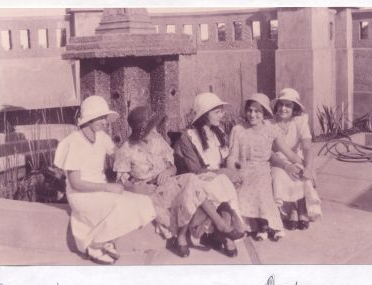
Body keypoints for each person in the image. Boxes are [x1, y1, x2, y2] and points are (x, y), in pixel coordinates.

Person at [113, 106, 237, 258]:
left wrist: (167, 172)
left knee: (192, 179)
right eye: (149, 129)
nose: (154, 131)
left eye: (154, 128)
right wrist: (137, 189)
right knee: (193, 188)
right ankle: (204, 230)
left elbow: (173, 167)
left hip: (169, 182)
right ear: (139, 131)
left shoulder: (157, 139)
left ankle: (205, 228)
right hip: (151, 191)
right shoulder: (126, 150)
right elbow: (121, 181)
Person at [53, 95, 156, 265]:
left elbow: (119, 154)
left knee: (142, 202)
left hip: (101, 191)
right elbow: (76, 183)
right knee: (121, 204)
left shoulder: (101, 137)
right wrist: (108, 187)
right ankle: (95, 244)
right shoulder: (74, 142)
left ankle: (105, 239)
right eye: (101, 117)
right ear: (89, 118)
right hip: (81, 195)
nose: (105, 122)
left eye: (105, 117)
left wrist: (140, 153)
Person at [174, 92, 245, 257]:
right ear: (205, 115)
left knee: (225, 182)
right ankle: (222, 228)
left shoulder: (218, 133)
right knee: (220, 183)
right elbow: (195, 170)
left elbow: (225, 158)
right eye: (217, 111)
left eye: (221, 111)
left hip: (218, 179)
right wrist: (223, 172)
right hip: (199, 179)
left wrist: (234, 169)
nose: (222, 114)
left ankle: (225, 232)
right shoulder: (188, 137)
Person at [226, 93, 301, 241]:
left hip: (262, 169)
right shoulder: (238, 129)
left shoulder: (271, 129)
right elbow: (232, 157)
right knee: (242, 186)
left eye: (257, 111)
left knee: (262, 184)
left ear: (264, 113)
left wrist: (305, 166)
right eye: (250, 110)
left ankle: (266, 224)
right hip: (243, 169)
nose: (252, 115)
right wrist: (232, 173)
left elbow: (286, 152)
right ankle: (257, 225)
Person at [270, 88, 322, 230]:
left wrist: (310, 168)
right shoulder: (270, 124)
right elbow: (271, 152)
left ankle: (302, 209)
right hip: (277, 161)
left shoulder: (300, 121)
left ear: (295, 108)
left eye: (288, 105)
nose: (283, 108)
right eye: (281, 104)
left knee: (302, 174)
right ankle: (292, 209)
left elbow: (307, 147)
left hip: (297, 157)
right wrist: (287, 165)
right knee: (280, 176)